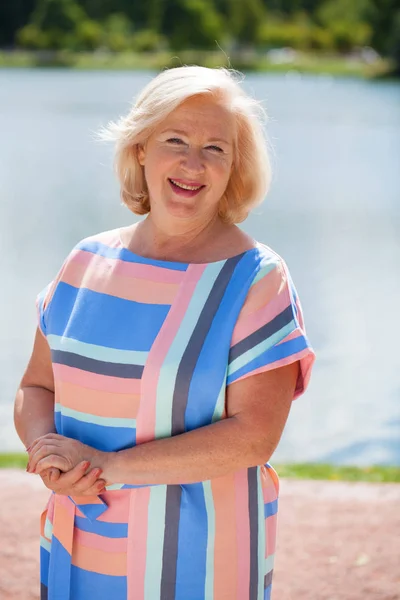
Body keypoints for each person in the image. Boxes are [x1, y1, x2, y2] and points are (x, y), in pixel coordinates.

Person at [15, 66, 316, 600]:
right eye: (174, 140)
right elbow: (36, 387)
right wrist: (46, 450)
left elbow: (255, 436)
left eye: (215, 148)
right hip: (77, 548)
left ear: (233, 169)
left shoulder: (256, 278)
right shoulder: (84, 263)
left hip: (196, 565)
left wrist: (110, 466)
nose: (192, 163)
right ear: (140, 151)